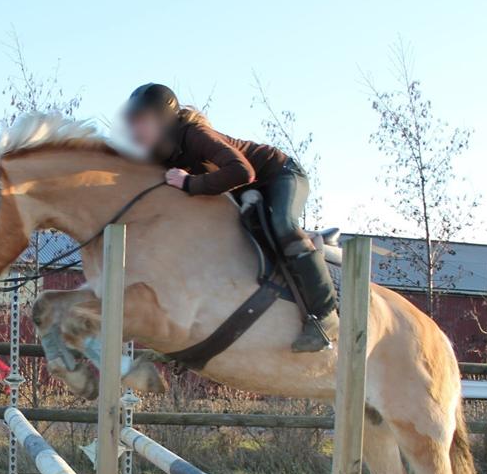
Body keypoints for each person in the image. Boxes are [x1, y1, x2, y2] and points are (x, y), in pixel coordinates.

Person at [122, 83, 338, 352]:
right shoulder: (160, 156)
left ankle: (325, 315)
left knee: (283, 224)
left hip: (281, 174)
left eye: (140, 121)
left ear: (162, 119)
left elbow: (242, 172)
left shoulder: (194, 135)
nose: (134, 131)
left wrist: (190, 183)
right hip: (250, 192)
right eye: (131, 123)